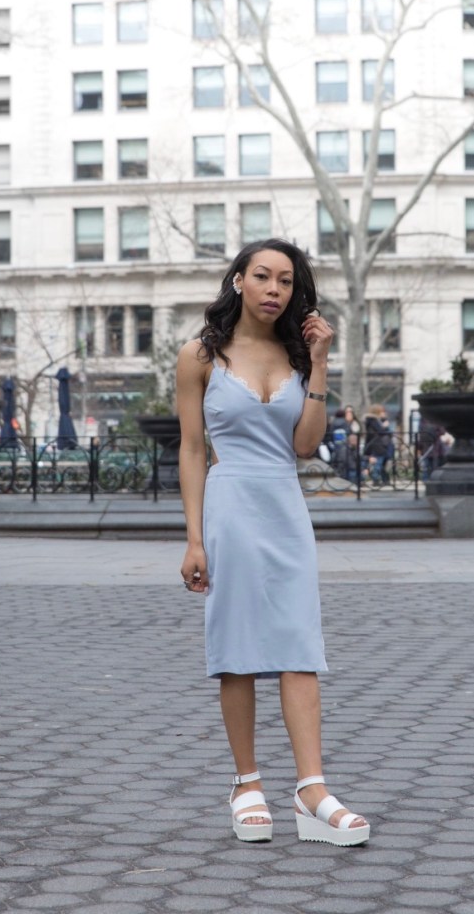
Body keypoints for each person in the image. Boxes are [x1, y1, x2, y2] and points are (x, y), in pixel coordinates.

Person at [176, 238, 370, 847]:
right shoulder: (199, 355)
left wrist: (319, 362)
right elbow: (190, 449)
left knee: (298, 644)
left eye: (285, 281)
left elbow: (306, 445)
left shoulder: (296, 354)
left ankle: (311, 790)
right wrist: (193, 539)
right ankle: (247, 782)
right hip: (228, 507)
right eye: (262, 276)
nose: (273, 289)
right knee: (235, 647)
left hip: (285, 508)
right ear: (238, 280)